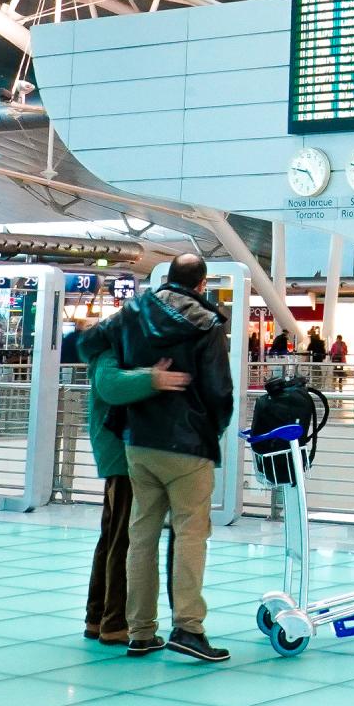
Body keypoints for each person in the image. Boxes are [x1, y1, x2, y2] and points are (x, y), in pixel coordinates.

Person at [102, 252, 235, 662]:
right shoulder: (206, 323)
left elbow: (118, 371)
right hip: (187, 444)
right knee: (191, 535)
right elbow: (218, 390)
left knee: (141, 536)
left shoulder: (134, 315)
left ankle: (141, 631)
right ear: (201, 285)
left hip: (138, 440)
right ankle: (189, 629)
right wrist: (214, 427)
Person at [76, 321, 189, 645]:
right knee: (125, 538)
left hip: (118, 455)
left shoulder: (110, 348)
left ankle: (98, 618)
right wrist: (153, 378)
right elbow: (110, 385)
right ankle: (116, 622)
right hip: (123, 456)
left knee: (113, 537)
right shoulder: (112, 350)